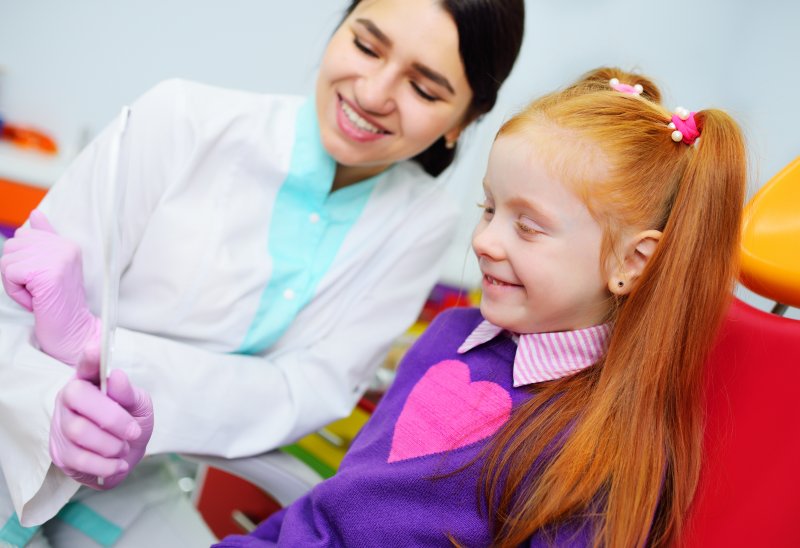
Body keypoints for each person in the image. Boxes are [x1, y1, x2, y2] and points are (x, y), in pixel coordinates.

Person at [0, 0, 525, 545]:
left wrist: (91, 346)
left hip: (132, 484)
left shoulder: (422, 221)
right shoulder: (180, 120)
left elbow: (304, 392)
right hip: (17, 430)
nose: (372, 95)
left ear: (464, 120)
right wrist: (54, 408)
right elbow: (14, 320)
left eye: (424, 89)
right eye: (366, 46)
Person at [211, 67, 747, 546]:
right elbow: (335, 504)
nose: (486, 240)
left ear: (631, 261)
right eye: (488, 208)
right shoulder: (450, 334)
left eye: (528, 227)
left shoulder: (600, 443)